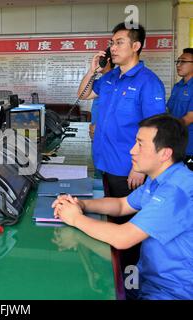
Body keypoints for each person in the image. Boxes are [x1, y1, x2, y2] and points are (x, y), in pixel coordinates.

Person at [52, 114, 193, 300]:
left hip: (172, 291)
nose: (132, 150)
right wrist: (81, 204)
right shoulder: (161, 179)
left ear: (165, 153)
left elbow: (123, 238)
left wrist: (76, 218)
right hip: (144, 279)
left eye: (140, 145)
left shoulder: (176, 191)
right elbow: (121, 205)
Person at [78, 23, 166, 198]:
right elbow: (83, 94)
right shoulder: (109, 77)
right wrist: (92, 71)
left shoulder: (148, 82)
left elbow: (156, 130)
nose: (113, 48)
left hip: (127, 168)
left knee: (124, 220)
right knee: (108, 214)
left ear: (135, 46)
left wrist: (140, 168)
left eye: (119, 43)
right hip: (103, 162)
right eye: (111, 43)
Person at [167, 48, 193, 170]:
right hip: (176, 146)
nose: (178, 65)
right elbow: (169, 111)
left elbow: (189, 117)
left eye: (183, 61)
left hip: (190, 147)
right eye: (177, 61)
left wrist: (168, 129)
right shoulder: (178, 86)